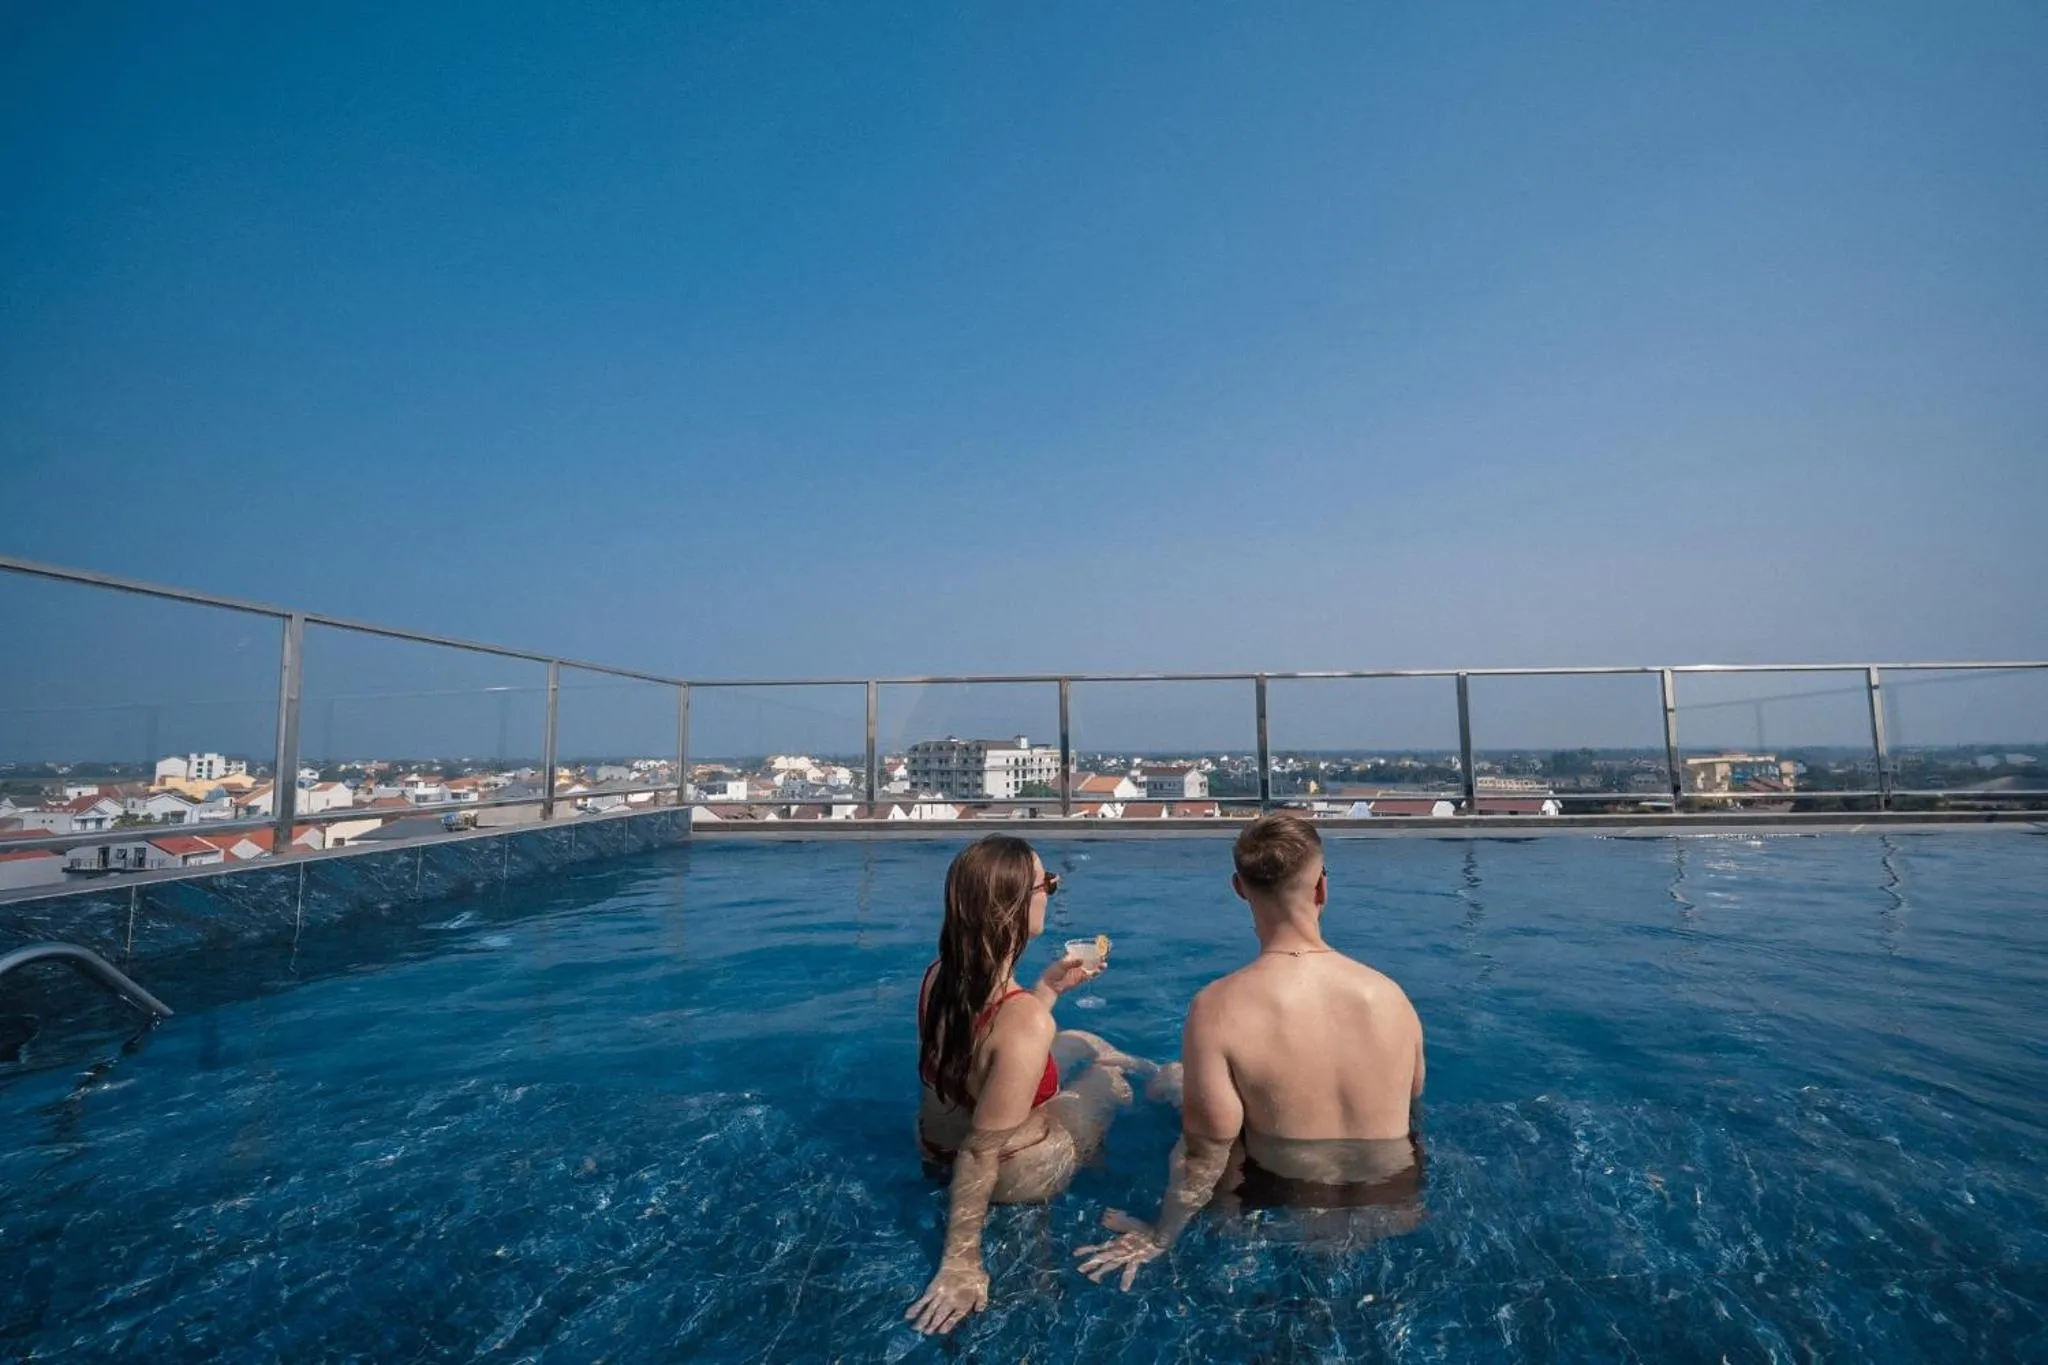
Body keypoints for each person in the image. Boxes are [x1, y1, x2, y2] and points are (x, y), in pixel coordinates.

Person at [1075, 813, 1426, 1289]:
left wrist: (1161, 1236)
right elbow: (1410, 1107)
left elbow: (1203, 1152)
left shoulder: (1219, 1008)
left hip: (1282, 1213)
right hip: (1398, 1208)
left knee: (1185, 1098)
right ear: (1322, 888)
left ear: (1239, 888)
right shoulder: (1392, 997)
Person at [905, 835, 1149, 1335]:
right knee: (1110, 1079)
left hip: (933, 1148)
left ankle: (1129, 1061)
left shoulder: (939, 976)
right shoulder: (1023, 1024)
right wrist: (961, 1260)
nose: (1052, 892)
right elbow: (980, 1153)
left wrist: (1049, 990)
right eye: (1049, 885)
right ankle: (1156, 1074)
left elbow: (989, 1046)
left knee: (1078, 1037)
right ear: (1016, 906)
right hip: (1019, 1171)